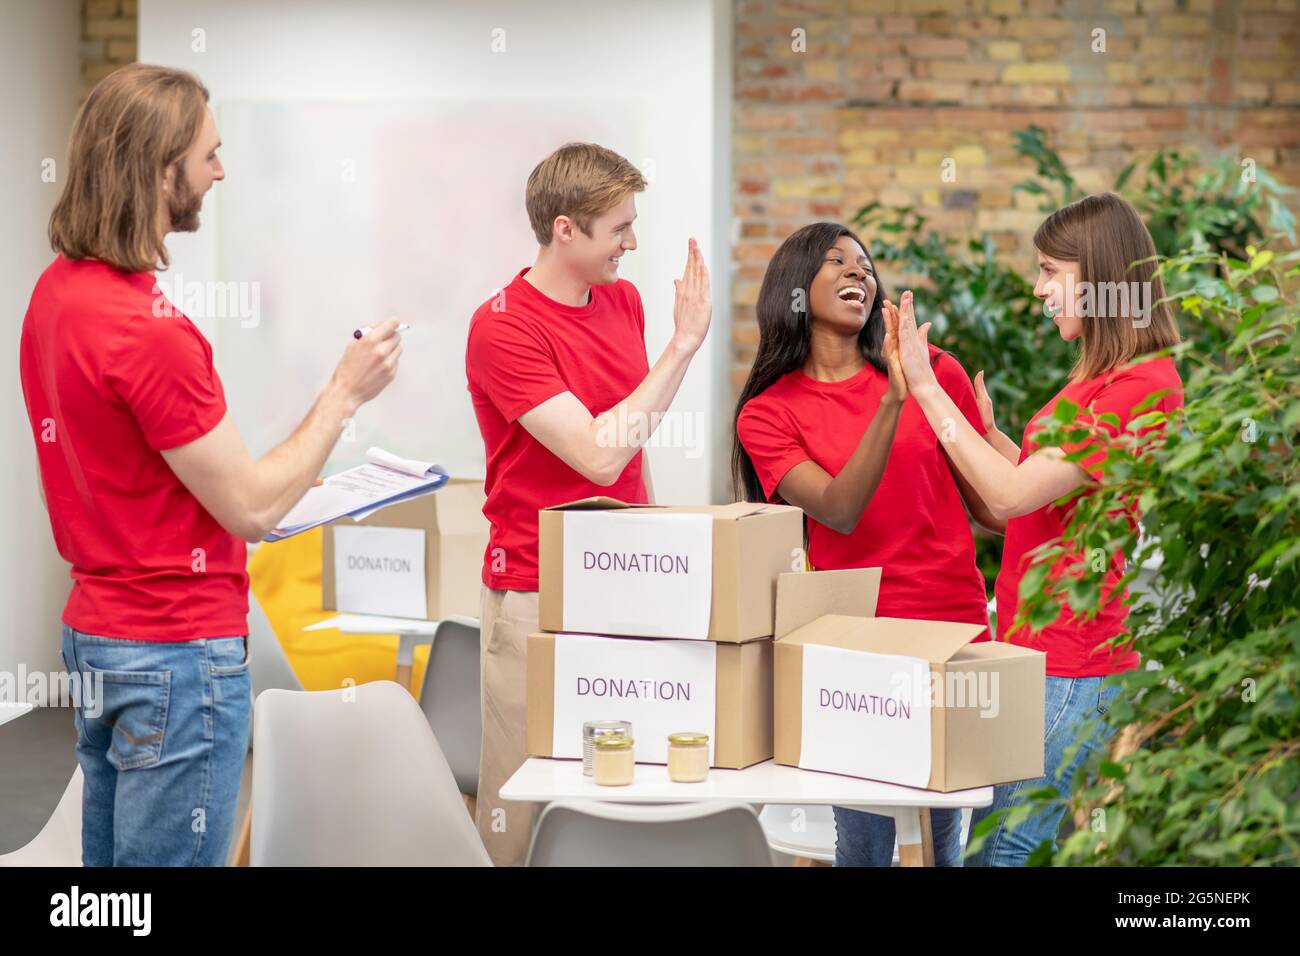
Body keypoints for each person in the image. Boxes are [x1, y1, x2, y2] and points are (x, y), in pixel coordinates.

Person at [20, 64, 401, 866]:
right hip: (176, 655)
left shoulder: (56, 295)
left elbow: (162, 476)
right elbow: (253, 511)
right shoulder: (150, 332)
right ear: (160, 170)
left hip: (97, 636)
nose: (220, 172)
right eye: (208, 156)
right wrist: (344, 392)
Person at [891, 192, 1184, 866]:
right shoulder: (1101, 380)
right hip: (1037, 652)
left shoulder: (1142, 386)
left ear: (1103, 278)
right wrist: (989, 432)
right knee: (1003, 844)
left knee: (1007, 851)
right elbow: (1036, 497)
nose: (1039, 288)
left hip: (1075, 660)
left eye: (1051, 270)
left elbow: (1006, 493)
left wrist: (929, 390)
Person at [465, 142, 712, 865]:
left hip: (624, 587)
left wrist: (657, 542)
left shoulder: (623, 301)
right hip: (536, 591)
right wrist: (684, 345)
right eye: (618, 230)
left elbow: (631, 455)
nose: (633, 243)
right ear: (565, 230)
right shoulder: (502, 326)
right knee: (522, 800)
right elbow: (600, 453)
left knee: (618, 787)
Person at [733, 222, 1001, 867]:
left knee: (946, 837)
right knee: (865, 845)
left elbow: (991, 507)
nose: (859, 273)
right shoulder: (768, 413)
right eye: (837, 262)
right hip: (855, 645)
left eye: (866, 265)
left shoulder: (937, 372)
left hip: (952, 630)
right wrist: (892, 402)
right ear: (795, 289)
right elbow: (839, 509)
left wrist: (997, 440)